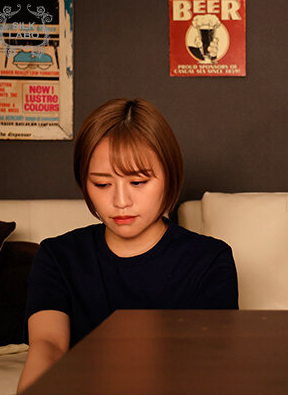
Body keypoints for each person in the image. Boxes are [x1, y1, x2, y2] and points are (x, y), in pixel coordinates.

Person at [17, 98, 238, 392]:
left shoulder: (210, 260)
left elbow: (207, 365)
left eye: (137, 182)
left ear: (169, 176)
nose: (121, 202)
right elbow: (48, 346)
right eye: (102, 184)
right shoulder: (58, 257)